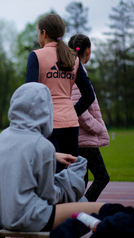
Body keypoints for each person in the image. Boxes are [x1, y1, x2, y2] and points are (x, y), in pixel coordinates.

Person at [0, 82, 105, 232]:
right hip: (31, 218)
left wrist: (53, 156)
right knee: (99, 209)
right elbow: (50, 196)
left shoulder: (4, 136)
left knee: (84, 206)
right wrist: (71, 177)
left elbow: (22, 157)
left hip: (5, 217)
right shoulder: (42, 145)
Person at [25, 14, 95, 172]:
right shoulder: (74, 58)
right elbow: (89, 95)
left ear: (44, 33)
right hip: (71, 124)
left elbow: (29, 94)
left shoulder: (36, 55)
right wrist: (71, 111)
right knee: (70, 176)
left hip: (47, 125)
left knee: (50, 178)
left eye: (38, 32)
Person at [69, 34, 110, 202]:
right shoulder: (77, 71)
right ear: (89, 52)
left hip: (79, 138)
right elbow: (79, 111)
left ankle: (76, 212)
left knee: (82, 181)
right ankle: (80, 210)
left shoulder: (72, 69)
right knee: (102, 177)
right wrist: (98, 128)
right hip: (84, 139)